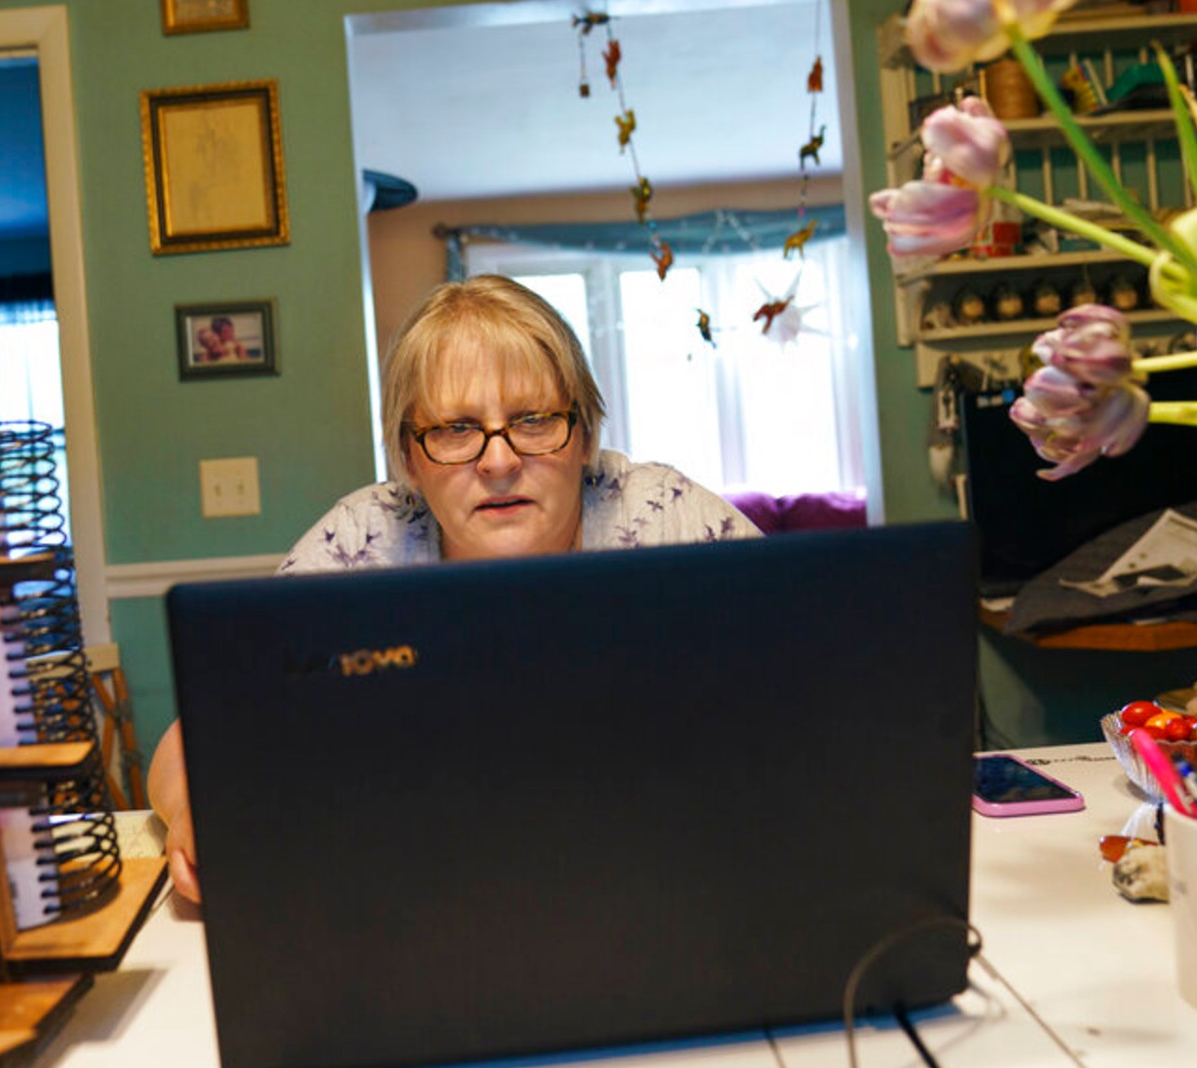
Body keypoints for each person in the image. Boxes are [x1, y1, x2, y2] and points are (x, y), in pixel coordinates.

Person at [148, 275, 760, 901]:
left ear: (584, 435)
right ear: (411, 460)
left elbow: (810, 669)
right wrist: (196, 811)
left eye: (534, 419)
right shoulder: (364, 539)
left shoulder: (662, 514)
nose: (498, 462)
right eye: (456, 429)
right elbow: (197, 736)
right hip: (428, 895)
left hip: (662, 880)